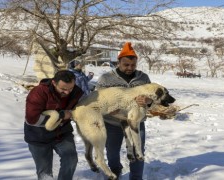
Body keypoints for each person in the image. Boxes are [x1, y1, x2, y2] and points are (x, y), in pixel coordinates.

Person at [96, 42, 153, 180]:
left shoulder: (143, 77)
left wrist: (148, 101)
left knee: (137, 151)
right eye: (126, 65)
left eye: (133, 65)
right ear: (118, 62)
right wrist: (108, 109)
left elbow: (152, 98)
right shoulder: (106, 78)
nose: (130, 68)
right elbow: (97, 100)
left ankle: (136, 177)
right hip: (112, 123)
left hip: (136, 123)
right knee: (112, 152)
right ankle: (116, 170)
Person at [24, 70, 84, 180]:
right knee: (44, 171)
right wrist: (61, 115)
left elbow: (83, 108)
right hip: (38, 136)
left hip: (62, 133)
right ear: (54, 83)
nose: (67, 92)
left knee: (71, 160)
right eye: (63, 89)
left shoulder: (76, 92)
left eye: (70, 88)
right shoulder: (38, 92)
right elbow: (32, 119)